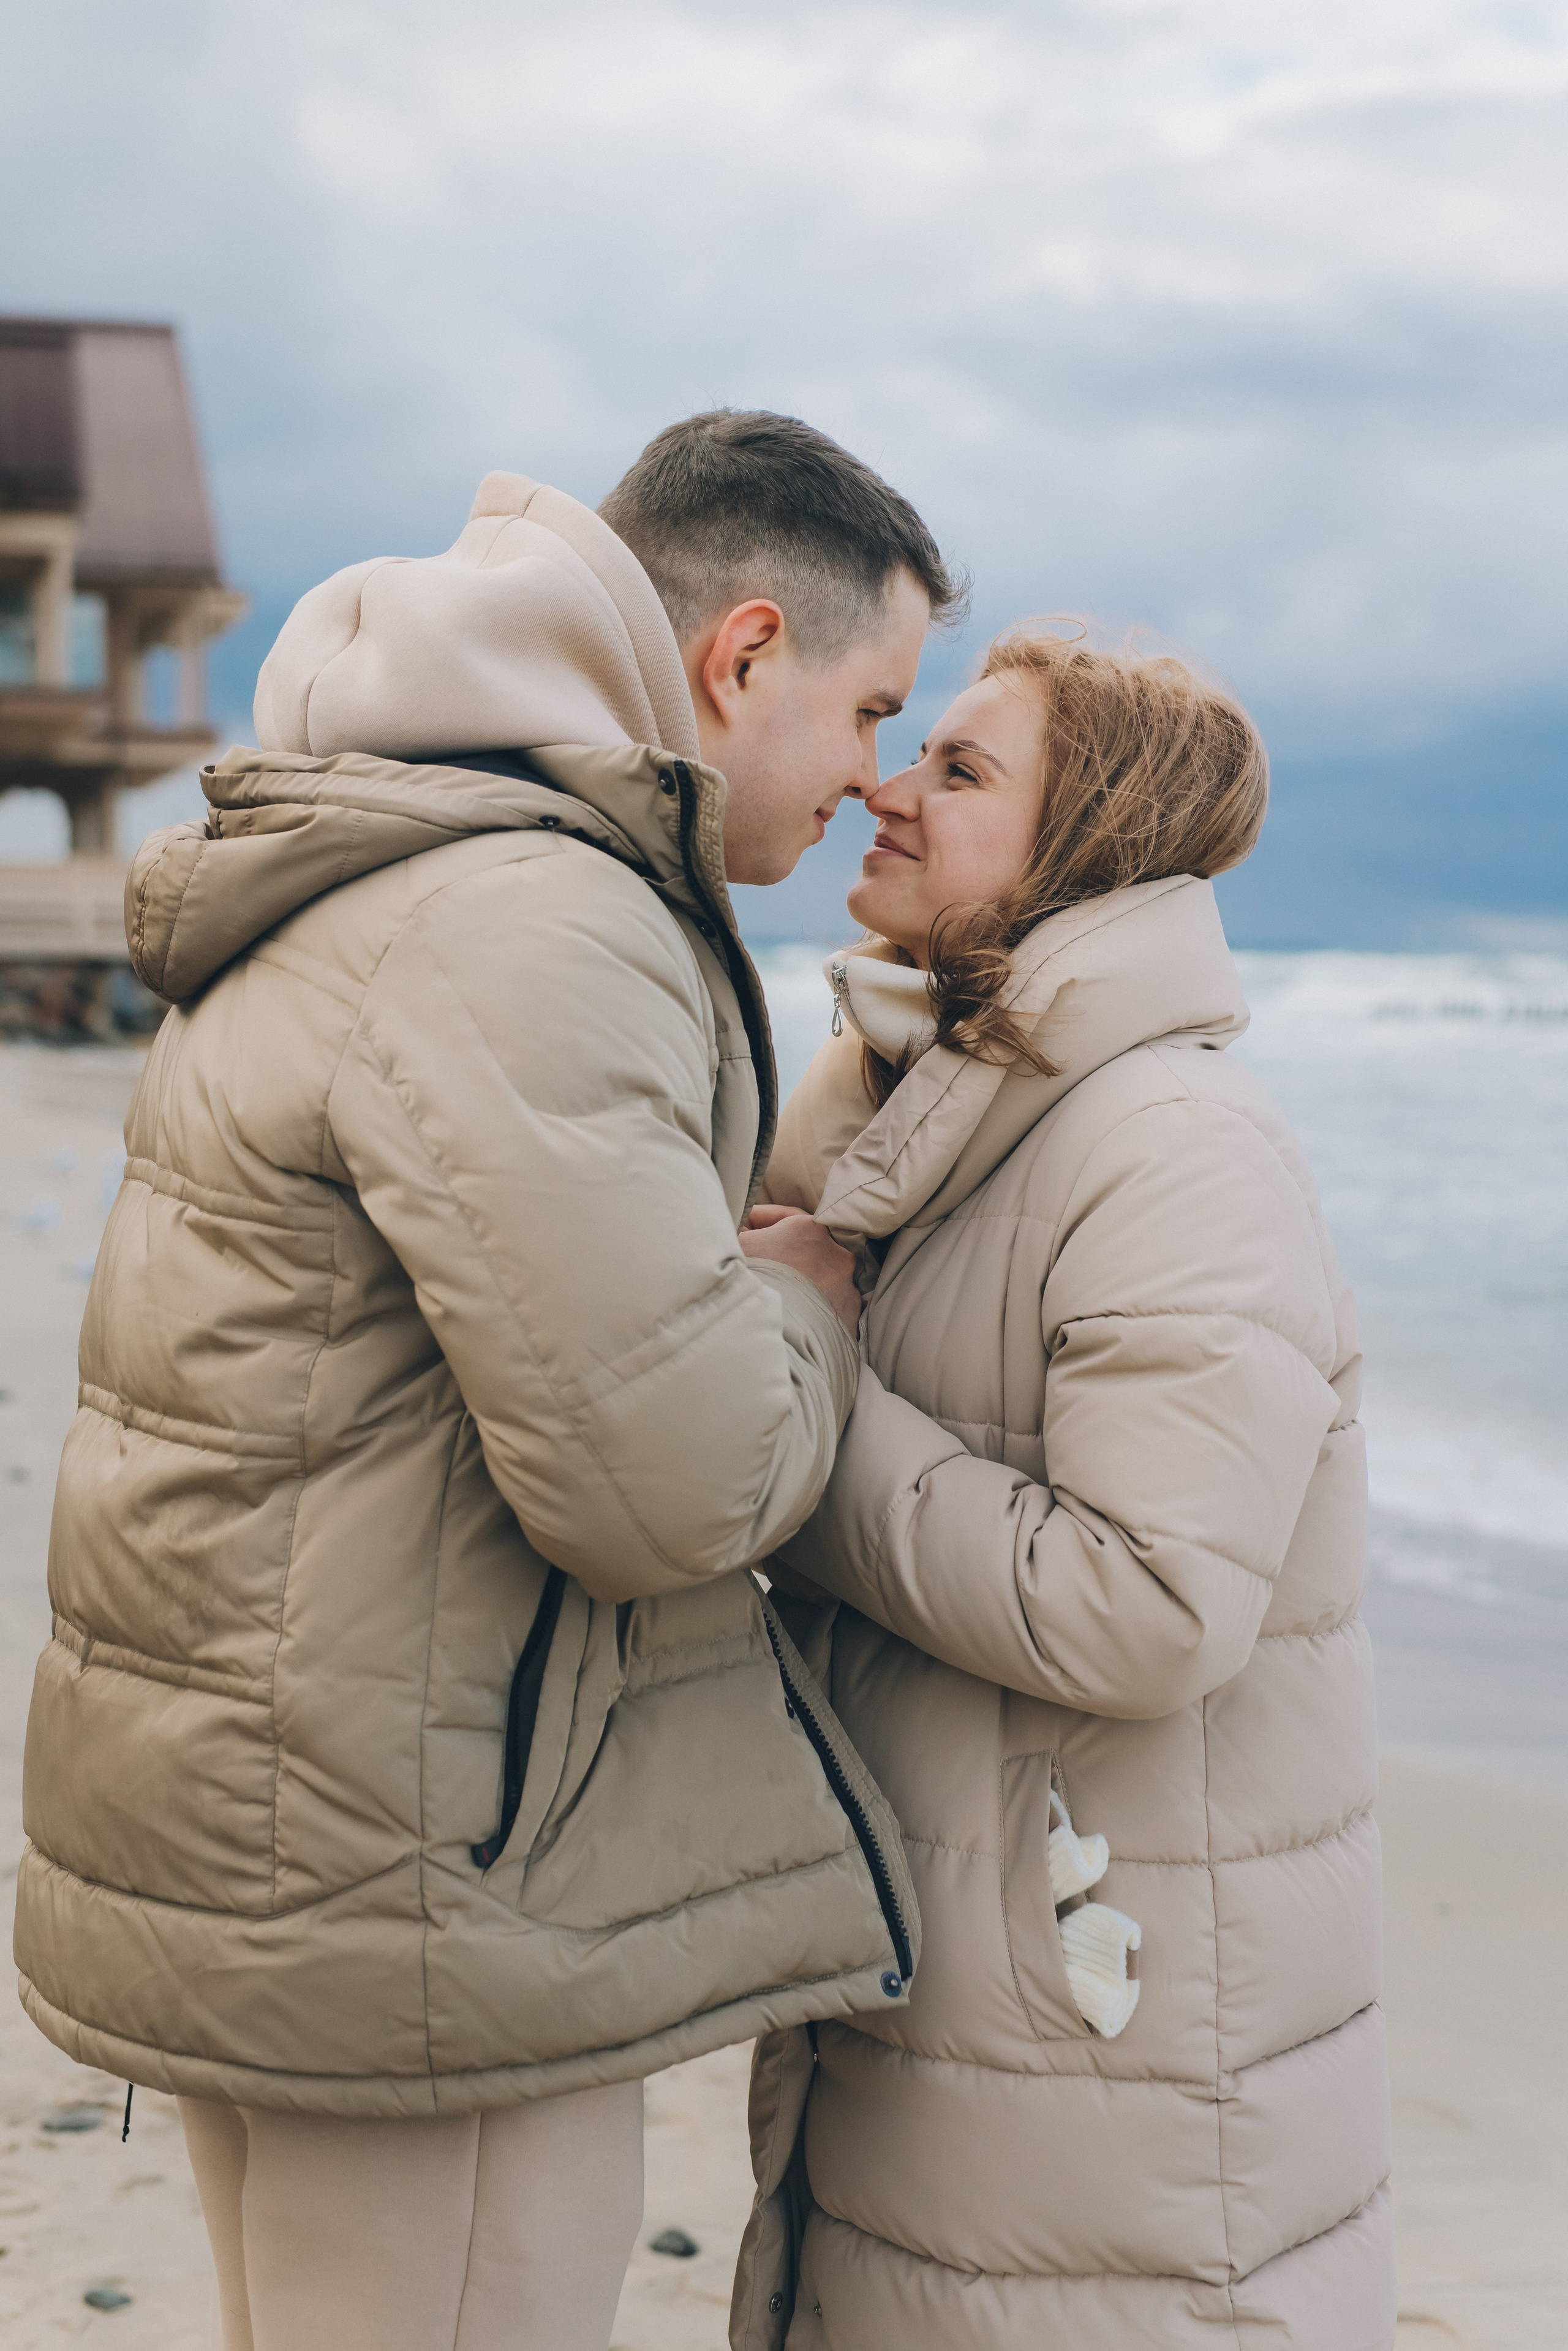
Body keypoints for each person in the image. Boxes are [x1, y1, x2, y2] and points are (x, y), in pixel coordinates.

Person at [15, 412, 959, 2351]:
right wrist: (813, 1298)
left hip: (279, 1831)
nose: (874, 778)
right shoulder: (533, 917)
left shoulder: (393, 838)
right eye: (875, 708)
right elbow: (669, 1481)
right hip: (414, 1894)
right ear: (746, 653)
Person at [734, 626, 1395, 2349]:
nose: (888, 784)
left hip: (1109, 2048)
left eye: (960, 770)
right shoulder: (910, 1102)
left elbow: (1152, 1607)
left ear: (1086, 840)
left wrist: (824, 1382)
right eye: (911, 748)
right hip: (951, 1997)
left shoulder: (1171, 1143)